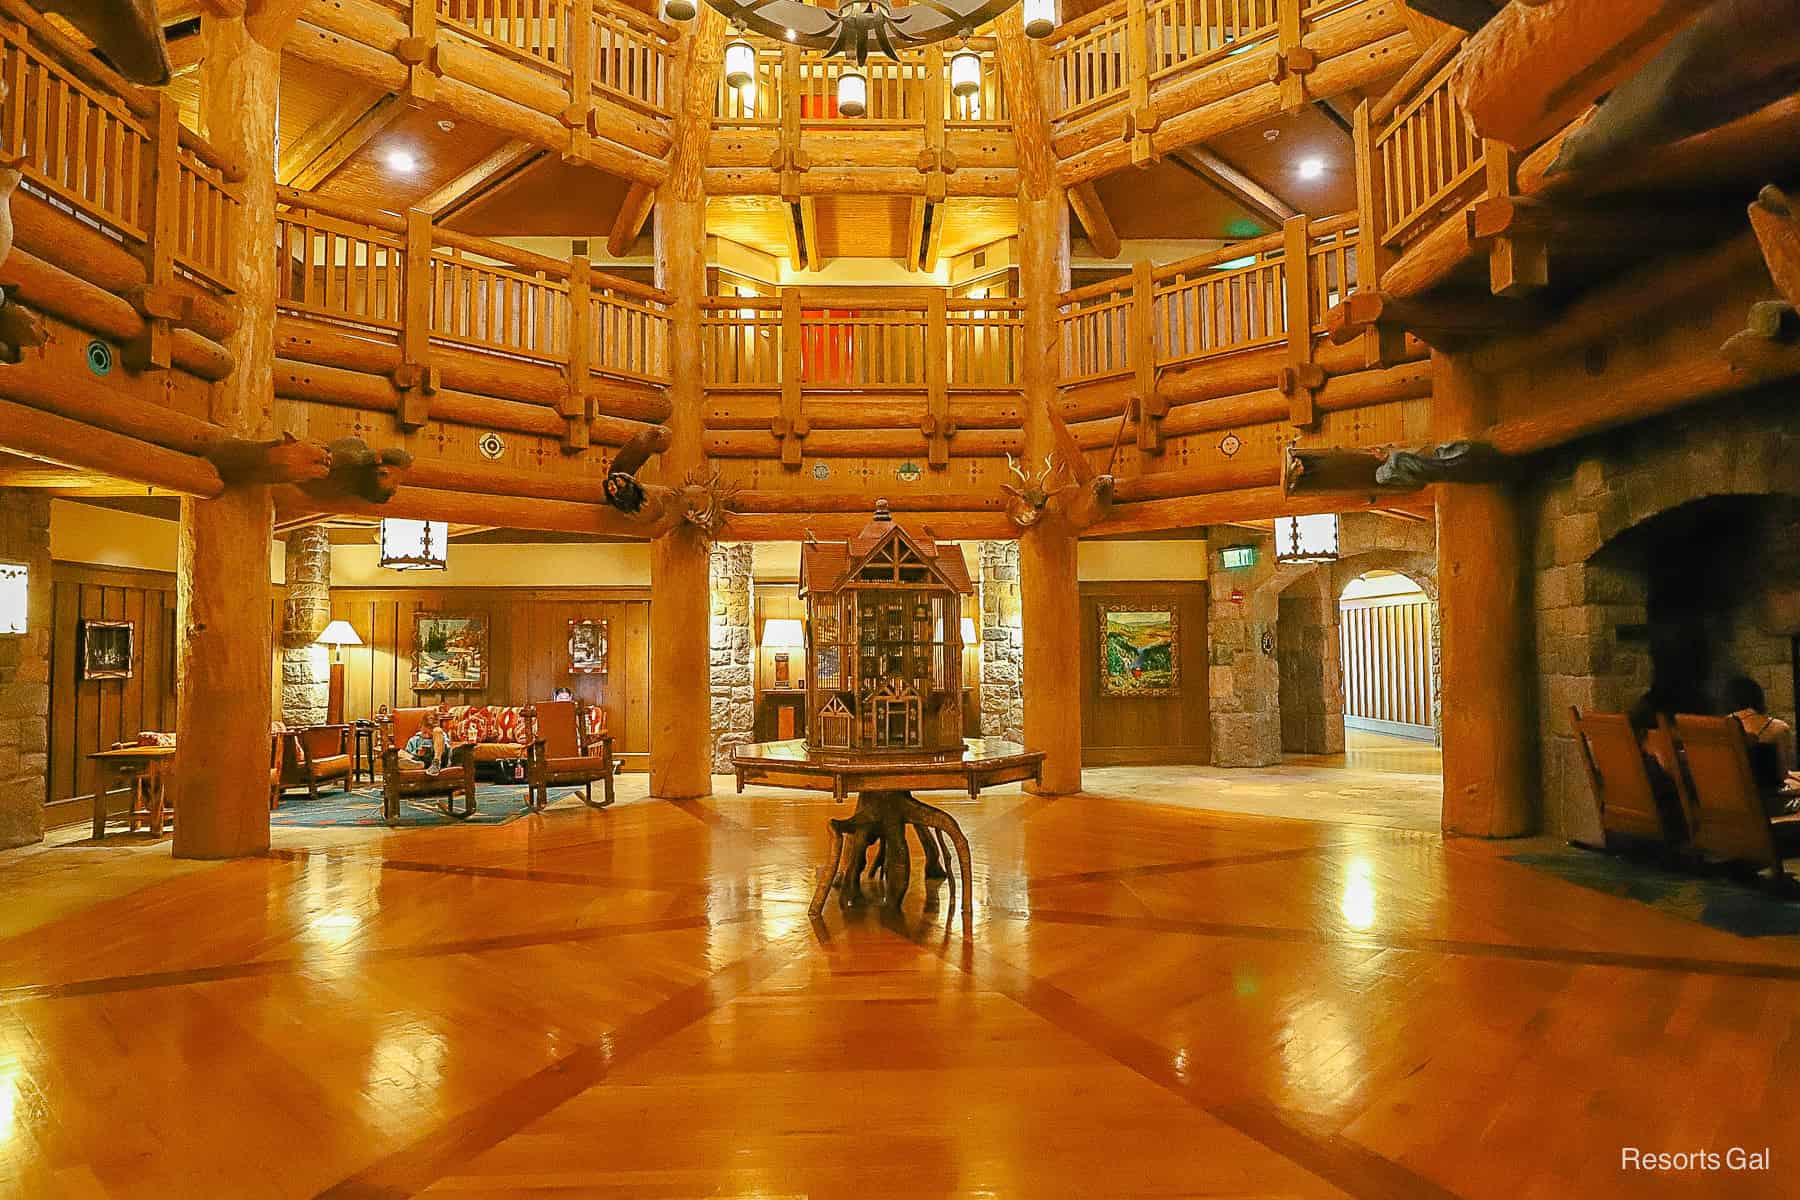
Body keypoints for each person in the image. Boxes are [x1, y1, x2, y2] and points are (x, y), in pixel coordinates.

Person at [1724, 676, 1796, 812]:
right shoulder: (1779, 728)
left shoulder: (1718, 728)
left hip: (1730, 805)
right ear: (1759, 697)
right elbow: (1782, 775)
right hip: (1769, 806)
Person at [1627, 693, 1686, 841]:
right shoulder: (1656, 742)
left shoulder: (1629, 746)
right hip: (1664, 819)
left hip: (1631, 817)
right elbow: (1672, 775)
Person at [402, 710, 453, 776]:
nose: (429, 731)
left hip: (438, 760)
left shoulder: (440, 735)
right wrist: (417, 753)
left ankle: (436, 764)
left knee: (438, 732)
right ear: (420, 726)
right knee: (399, 753)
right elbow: (408, 755)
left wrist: (435, 737)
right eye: (427, 727)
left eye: (432, 728)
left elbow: (447, 751)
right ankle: (418, 765)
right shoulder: (414, 739)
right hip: (420, 760)